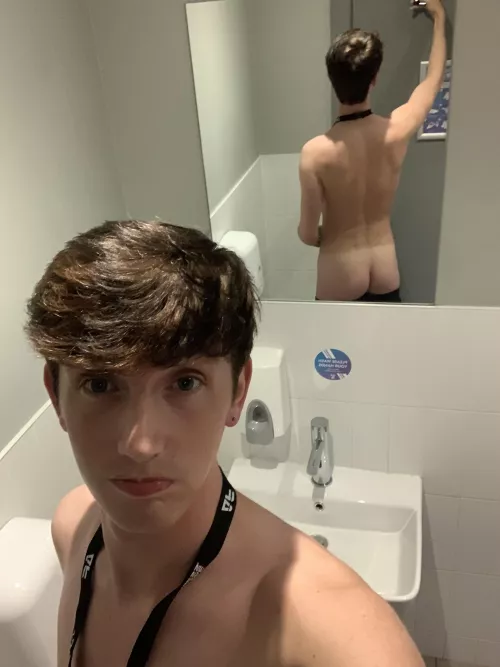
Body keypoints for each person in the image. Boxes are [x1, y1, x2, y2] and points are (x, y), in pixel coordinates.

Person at [25, 220, 424, 666]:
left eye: (185, 383)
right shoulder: (73, 527)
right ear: (55, 396)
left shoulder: (338, 642)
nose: (141, 444)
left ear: (238, 391)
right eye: (100, 385)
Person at [298, 0, 447, 302]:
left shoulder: (315, 153)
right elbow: (433, 80)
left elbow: (308, 234)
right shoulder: (398, 129)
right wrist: (439, 17)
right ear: (374, 79)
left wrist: (333, 237)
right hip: (385, 268)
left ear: (332, 80)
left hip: (340, 273)